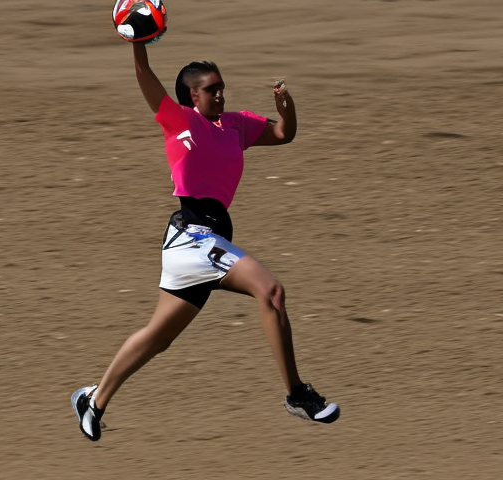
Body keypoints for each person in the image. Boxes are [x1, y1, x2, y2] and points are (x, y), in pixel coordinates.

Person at [71, 41, 340, 442]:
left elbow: (284, 134)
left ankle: (93, 399)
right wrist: (138, 42)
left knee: (159, 337)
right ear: (192, 95)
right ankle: (297, 394)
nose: (220, 94)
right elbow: (145, 77)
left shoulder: (237, 124)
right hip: (192, 237)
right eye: (211, 89)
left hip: (202, 242)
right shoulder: (177, 120)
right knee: (271, 291)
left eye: (221, 87)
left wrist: (287, 106)